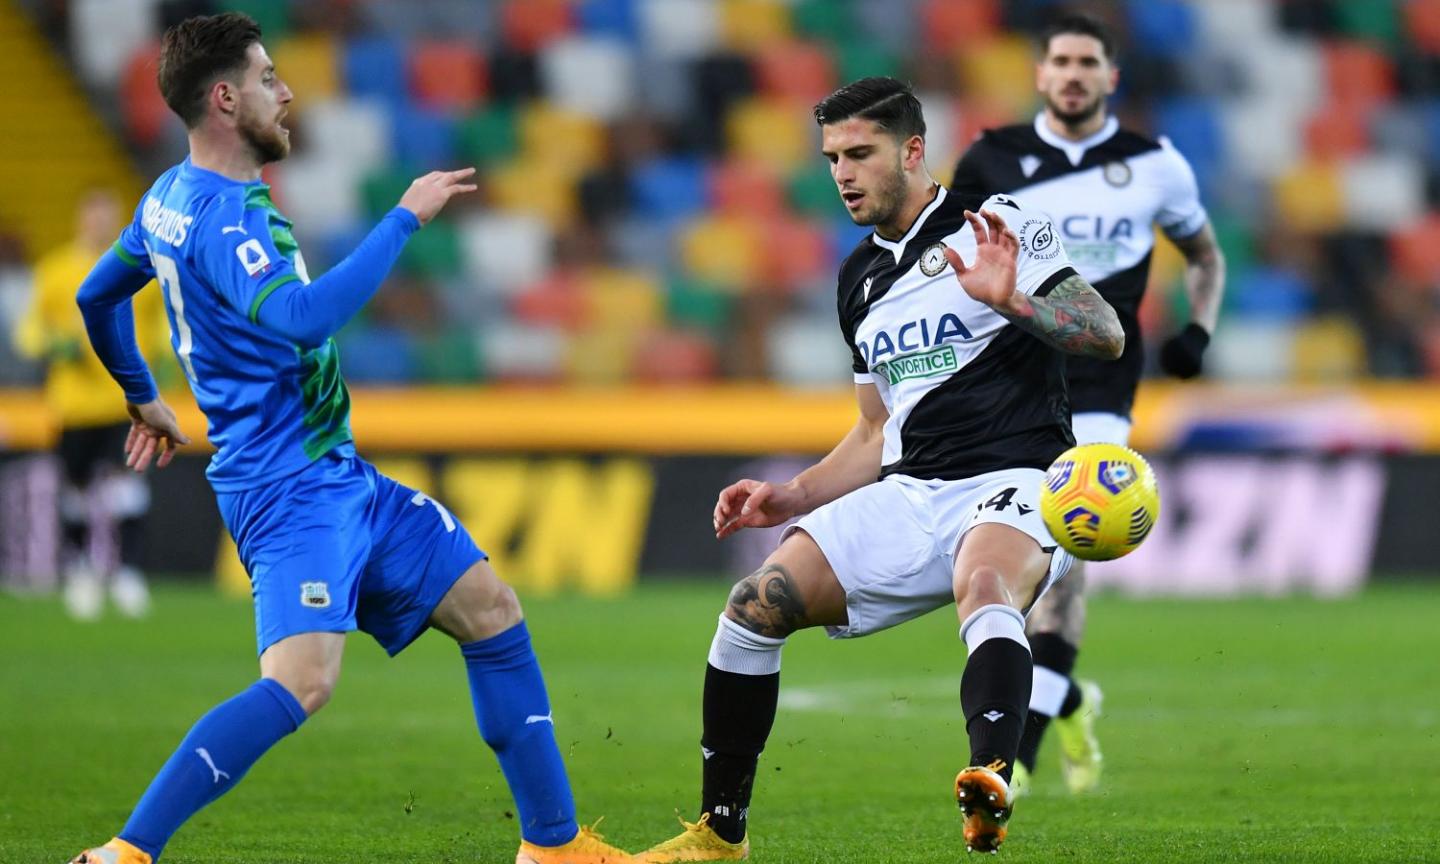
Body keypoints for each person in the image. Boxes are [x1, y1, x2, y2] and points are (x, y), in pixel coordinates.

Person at [67, 14, 630, 864]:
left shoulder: (167, 200)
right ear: (224, 98)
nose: (284, 91)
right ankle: (126, 853)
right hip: (286, 490)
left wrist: (143, 397)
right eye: (265, 79)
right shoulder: (225, 219)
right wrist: (403, 217)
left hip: (336, 479)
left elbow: (95, 298)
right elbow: (302, 318)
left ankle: (553, 849)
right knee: (302, 681)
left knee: (491, 610)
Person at [637, 77, 1123, 860]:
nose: (843, 174)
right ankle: (719, 835)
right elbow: (873, 429)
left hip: (1020, 479)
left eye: (860, 153)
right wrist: (790, 494)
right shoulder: (857, 278)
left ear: (913, 150)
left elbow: (1104, 334)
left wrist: (1016, 304)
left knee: (986, 582)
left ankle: (990, 779)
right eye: (832, 158)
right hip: (913, 490)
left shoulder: (995, 224)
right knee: (754, 606)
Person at [950, 12, 1227, 797]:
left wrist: (1197, 332)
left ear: (1112, 77)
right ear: (1040, 74)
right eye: (1060, 61)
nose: (1073, 74)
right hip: (1003, 389)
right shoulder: (991, 159)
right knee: (1005, 573)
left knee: (1063, 559)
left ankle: (1021, 761)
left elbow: (1204, 255)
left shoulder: (1154, 165)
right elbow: (948, 263)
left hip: (1099, 391)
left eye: (1088, 62)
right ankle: (1066, 697)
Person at [13, 189, 170, 621]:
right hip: (74, 404)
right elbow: (29, 330)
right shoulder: (57, 270)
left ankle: (127, 574)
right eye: (93, 216)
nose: (100, 224)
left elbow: (161, 324)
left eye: (108, 216)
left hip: (125, 402)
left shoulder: (138, 267)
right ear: (81, 219)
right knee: (76, 492)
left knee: (128, 487)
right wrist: (54, 345)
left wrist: (164, 360)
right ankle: (82, 571)